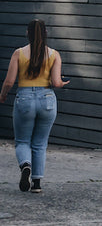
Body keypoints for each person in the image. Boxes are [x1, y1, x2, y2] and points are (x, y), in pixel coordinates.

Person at [0, 18, 66, 193]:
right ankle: (36, 184)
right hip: (47, 99)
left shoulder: (18, 53)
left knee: (22, 141)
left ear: (27, 33)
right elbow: (56, 82)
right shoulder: (54, 54)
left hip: (25, 99)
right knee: (40, 143)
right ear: (46, 33)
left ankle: (25, 165)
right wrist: (62, 83)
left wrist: (3, 95)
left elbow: (9, 82)